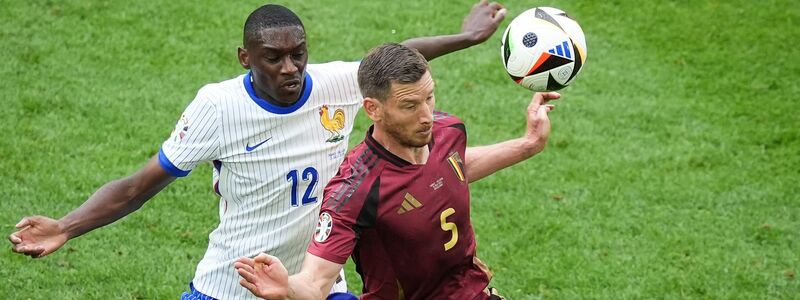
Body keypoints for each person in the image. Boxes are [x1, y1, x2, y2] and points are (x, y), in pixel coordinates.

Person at [7, 2, 507, 299]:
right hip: (230, 286)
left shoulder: (336, 84)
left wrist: (466, 36)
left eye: (298, 54)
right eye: (274, 58)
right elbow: (139, 187)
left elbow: (392, 61)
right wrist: (67, 226)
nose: (290, 68)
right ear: (246, 58)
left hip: (315, 283)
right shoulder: (217, 107)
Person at [233, 43, 560, 299]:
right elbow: (315, 283)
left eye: (429, 97)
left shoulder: (448, 130)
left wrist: (529, 143)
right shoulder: (355, 190)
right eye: (409, 106)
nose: (427, 116)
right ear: (373, 109)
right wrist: (287, 287)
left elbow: (453, 168)